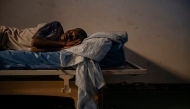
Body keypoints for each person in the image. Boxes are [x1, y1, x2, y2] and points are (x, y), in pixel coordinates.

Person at [0, 21, 87, 52]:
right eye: (71, 31)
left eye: (72, 37)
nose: (69, 35)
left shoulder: (56, 46)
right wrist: (63, 44)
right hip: (4, 34)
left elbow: (34, 49)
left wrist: (63, 47)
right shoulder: (57, 27)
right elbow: (35, 42)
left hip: (4, 45)